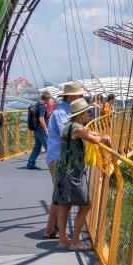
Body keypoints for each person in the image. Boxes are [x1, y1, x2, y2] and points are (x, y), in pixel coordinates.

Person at [54, 98, 111, 251]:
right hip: (73, 172)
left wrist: (92, 133)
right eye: (88, 112)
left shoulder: (67, 126)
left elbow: (86, 133)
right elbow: (93, 139)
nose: (90, 114)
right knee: (86, 206)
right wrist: (104, 138)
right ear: (82, 114)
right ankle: (75, 242)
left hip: (62, 170)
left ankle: (62, 241)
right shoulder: (78, 129)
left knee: (64, 206)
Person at [44, 81, 85, 239]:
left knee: (59, 193)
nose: (82, 96)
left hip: (60, 156)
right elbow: (68, 133)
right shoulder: (62, 112)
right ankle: (50, 229)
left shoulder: (67, 110)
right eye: (80, 94)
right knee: (60, 194)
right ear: (72, 96)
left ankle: (52, 228)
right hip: (58, 157)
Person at [26, 91, 53, 170]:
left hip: (36, 129)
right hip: (41, 130)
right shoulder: (42, 107)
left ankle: (30, 164)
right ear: (47, 98)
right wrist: (46, 129)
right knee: (49, 147)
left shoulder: (36, 105)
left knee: (37, 148)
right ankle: (53, 165)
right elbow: (41, 119)